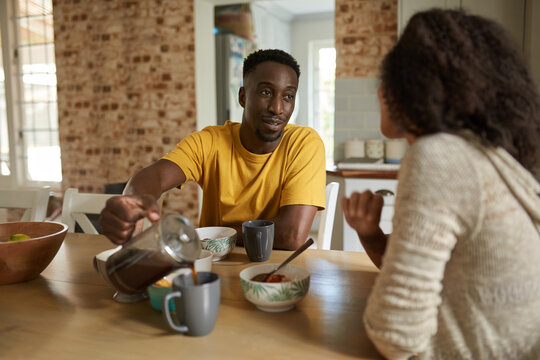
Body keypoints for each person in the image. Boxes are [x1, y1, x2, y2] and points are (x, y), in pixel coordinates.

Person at [342, 9, 540, 359]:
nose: (379, 90)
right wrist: (373, 236)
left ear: (409, 87)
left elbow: (395, 333)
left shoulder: (440, 158)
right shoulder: (482, 153)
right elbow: (442, 278)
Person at [100, 49, 326, 250]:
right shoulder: (210, 141)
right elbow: (156, 175)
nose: (278, 108)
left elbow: (291, 236)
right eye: (266, 92)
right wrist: (133, 200)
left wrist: (216, 234)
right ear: (243, 96)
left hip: (278, 271)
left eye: (288, 96)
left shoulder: (304, 143)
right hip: (215, 267)